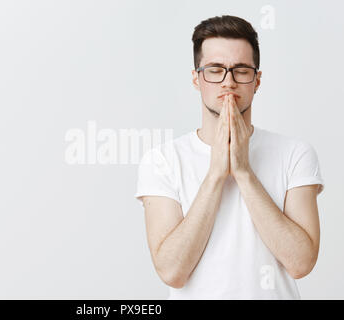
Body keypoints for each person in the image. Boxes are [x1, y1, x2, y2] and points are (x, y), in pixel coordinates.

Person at [134, 15, 324, 299]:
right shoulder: (162, 160)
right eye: (215, 69)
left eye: (241, 70)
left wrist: (244, 172)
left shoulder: (296, 154)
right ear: (197, 78)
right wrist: (215, 174)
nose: (228, 82)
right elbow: (172, 271)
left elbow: (301, 263)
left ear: (257, 80)